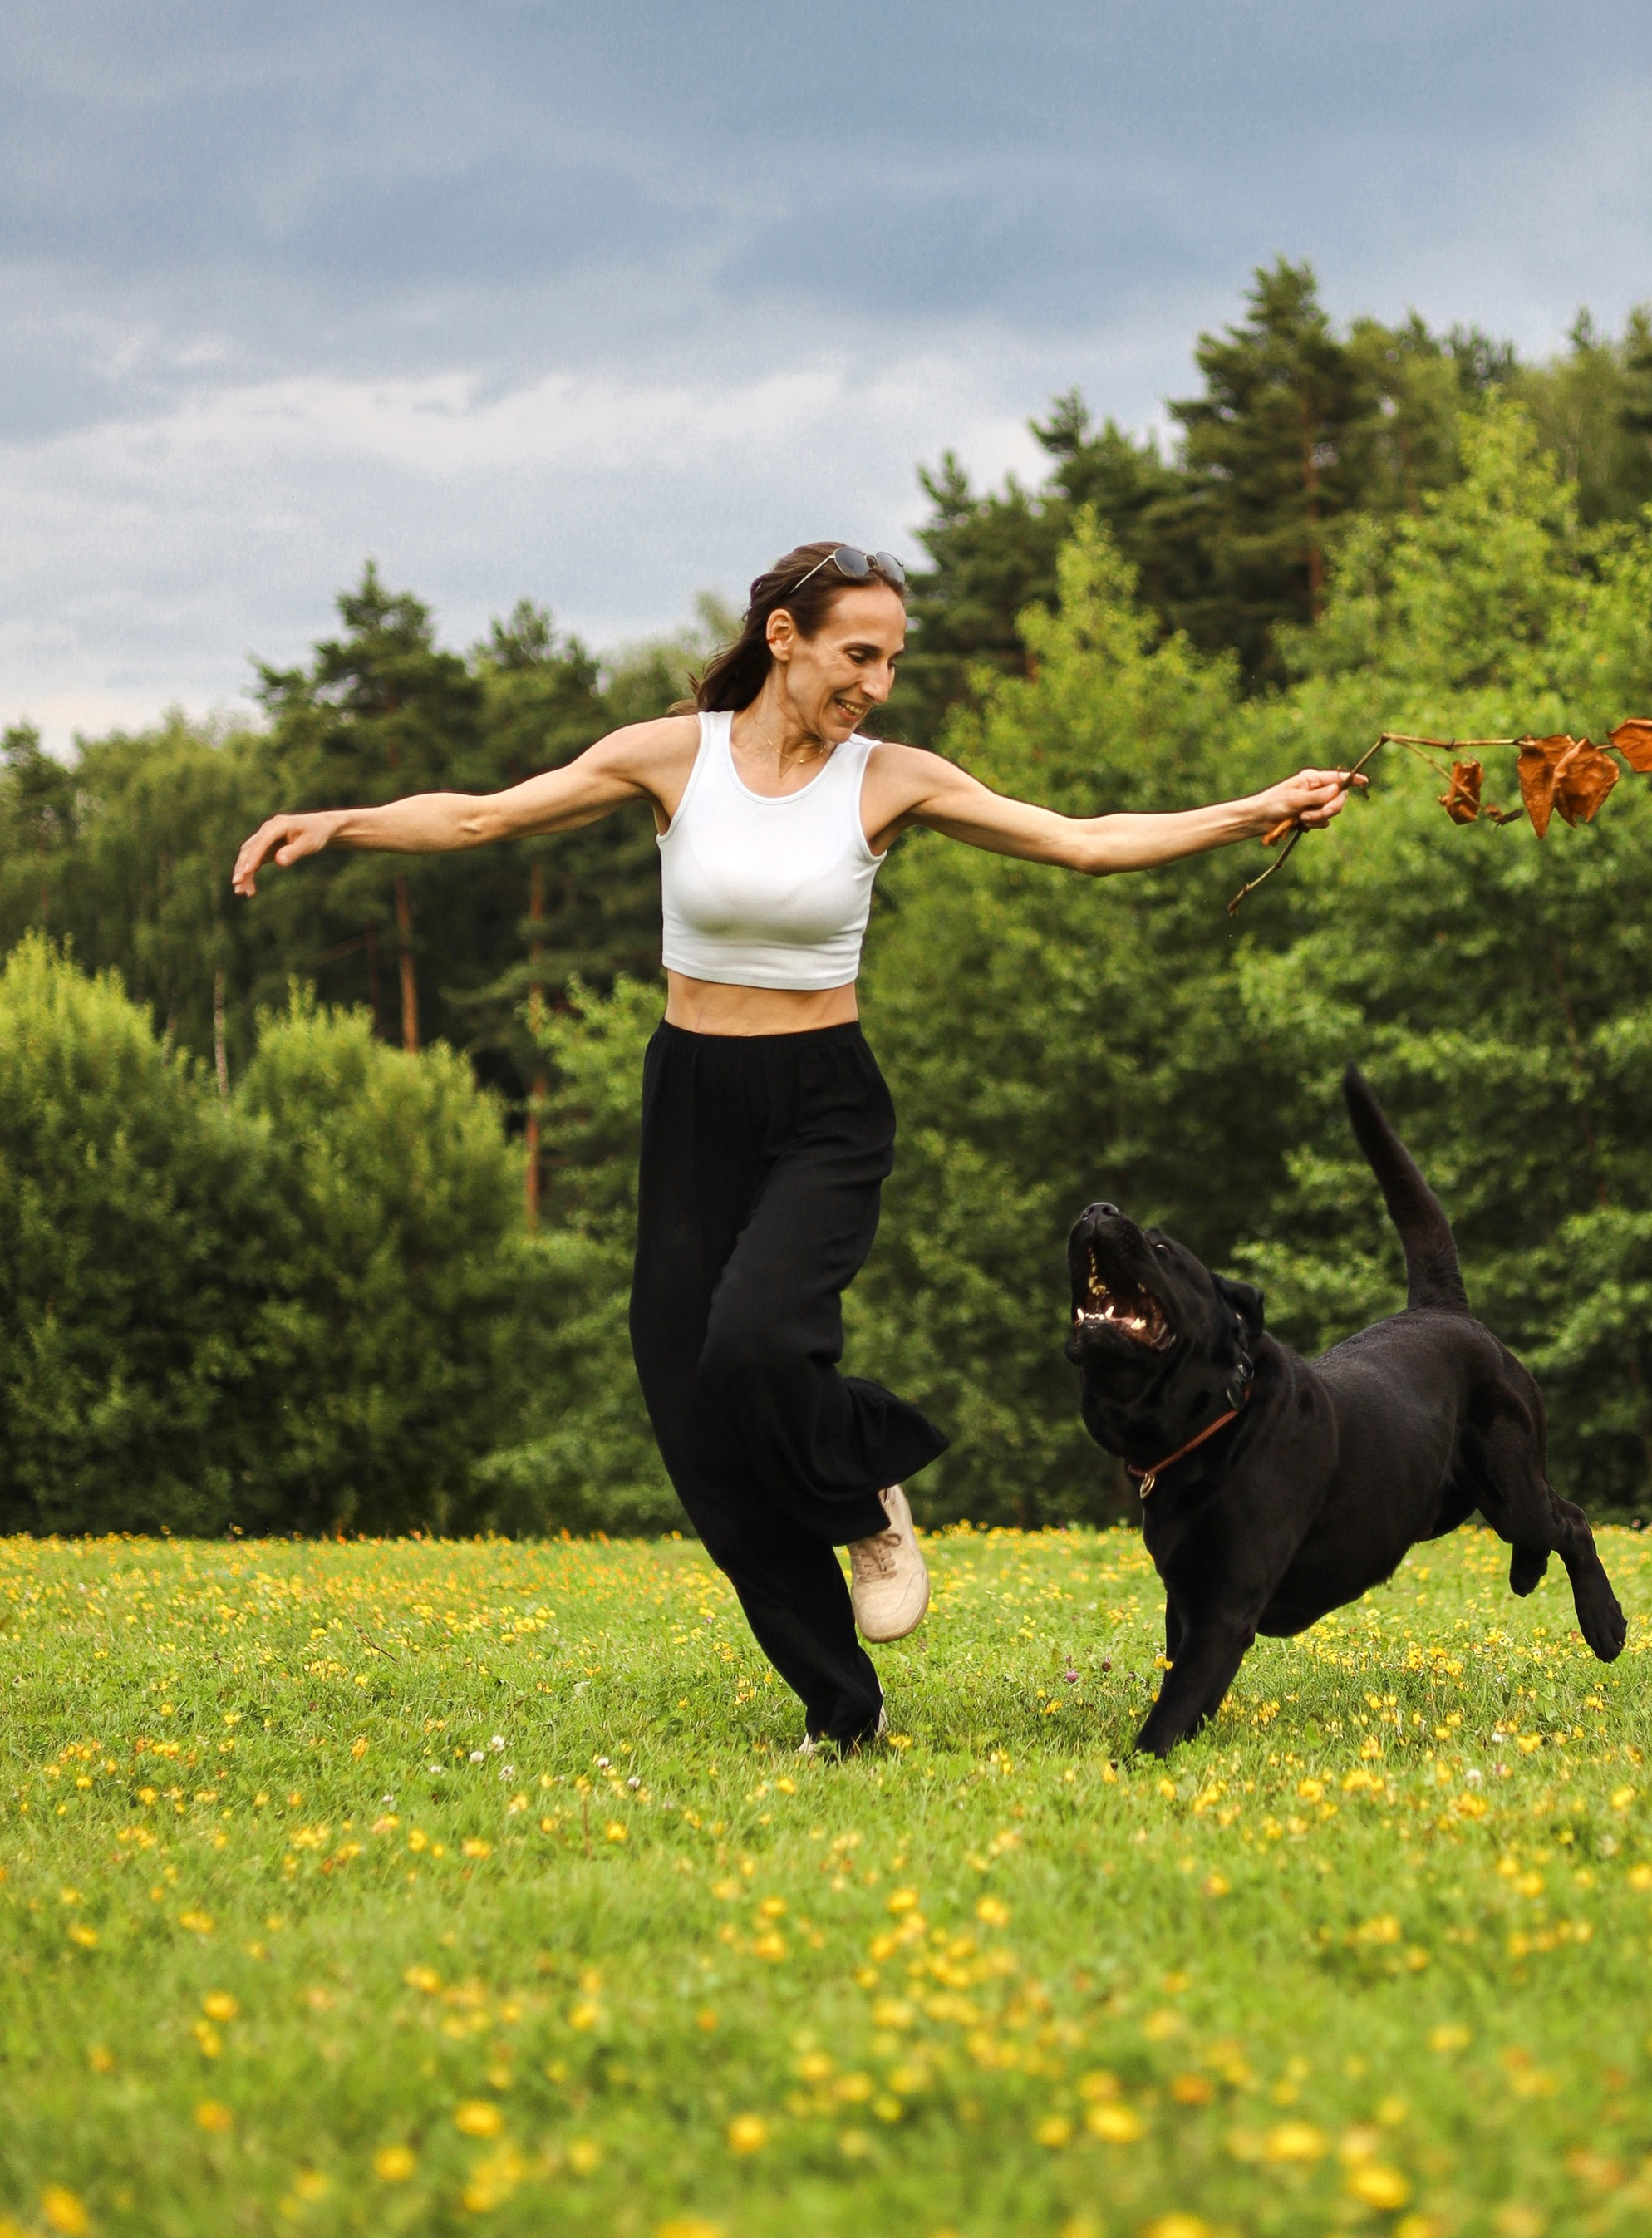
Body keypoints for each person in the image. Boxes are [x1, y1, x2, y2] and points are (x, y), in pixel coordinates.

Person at [233, 542, 1355, 1754]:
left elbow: (1085, 841)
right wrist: (340, 822)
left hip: (822, 1104)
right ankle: (843, 1708)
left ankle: (865, 1481)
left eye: (891, 661)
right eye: (857, 654)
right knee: (692, 1406)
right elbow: (480, 816)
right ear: (785, 639)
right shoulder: (676, 756)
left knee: (762, 1339)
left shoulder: (892, 780)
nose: (876, 682)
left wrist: (1256, 809)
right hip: (692, 1100)